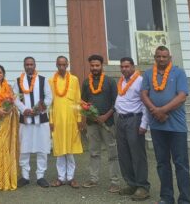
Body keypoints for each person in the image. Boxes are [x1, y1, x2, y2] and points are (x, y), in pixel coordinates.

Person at [141, 46, 190, 204]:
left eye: (164, 56)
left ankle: (184, 199)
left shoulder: (179, 73)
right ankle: (167, 197)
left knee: (181, 164)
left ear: (170, 58)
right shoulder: (148, 73)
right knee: (162, 163)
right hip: (157, 126)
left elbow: (182, 96)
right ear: (154, 58)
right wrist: (155, 111)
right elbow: (143, 94)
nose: (161, 59)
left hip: (177, 127)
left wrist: (161, 110)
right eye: (158, 56)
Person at [81, 54, 121, 192]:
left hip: (108, 123)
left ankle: (115, 181)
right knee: (93, 152)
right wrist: (89, 114)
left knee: (112, 152)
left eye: (97, 65)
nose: (94, 68)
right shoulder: (86, 82)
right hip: (92, 123)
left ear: (101, 66)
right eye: (92, 65)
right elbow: (83, 102)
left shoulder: (110, 82)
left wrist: (105, 116)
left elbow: (116, 102)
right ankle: (93, 179)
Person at [13, 56, 52, 188]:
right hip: (25, 119)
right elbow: (15, 98)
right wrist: (24, 109)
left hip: (41, 119)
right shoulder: (18, 81)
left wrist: (39, 109)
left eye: (31, 64)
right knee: (24, 148)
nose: (29, 66)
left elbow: (49, 97)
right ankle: (25, 176)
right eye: (27, 64)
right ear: (24, 66)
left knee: (43, 148)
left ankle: (40, 176)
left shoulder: (43, 80)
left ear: (35, 65)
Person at [115, 57, 150, 201]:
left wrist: (144, 124)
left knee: (137, 154)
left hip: (134, 120)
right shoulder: (121, 81)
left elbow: (145, 103)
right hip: (121, 120)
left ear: (133, 67)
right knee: (123, 154)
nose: (124, 69)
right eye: (122, 67)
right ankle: (131, 184)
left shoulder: (140, 81)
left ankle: (143, 186)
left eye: (127, 66)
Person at [48, 55, 83, 188]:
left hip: (71, 120)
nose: (62, 67)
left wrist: (79, 118)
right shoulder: (51, 81)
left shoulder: (74, 79)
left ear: (67, 65)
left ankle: (71, 177)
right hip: (57, 120)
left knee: (70, 149)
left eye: (64, 65)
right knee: (60, 150)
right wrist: (51, 120)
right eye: (59, 65)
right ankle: (61, 177)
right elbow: (50, 103)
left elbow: (78, 100)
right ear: (56, 65)